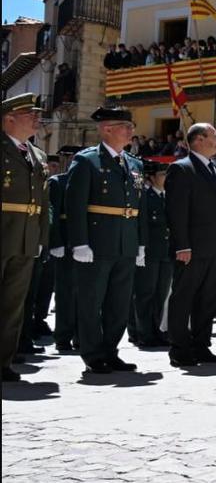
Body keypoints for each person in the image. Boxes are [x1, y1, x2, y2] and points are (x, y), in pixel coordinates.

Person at [65, 106, 143, 375]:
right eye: (125, 125)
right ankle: (93, 354)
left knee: (119, 303)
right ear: (106, 129)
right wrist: (79, 242)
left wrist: (140, 243)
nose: (131, 130)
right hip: (96, 243)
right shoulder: (87, 161)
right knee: (91, 301)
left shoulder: (134, 164)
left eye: (131, 126)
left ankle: (111, 351)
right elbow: (75, 205)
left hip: (126, 243)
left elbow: (137, 206)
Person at [164, 123, 216, 367]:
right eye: (214, 136)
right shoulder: (181, 169)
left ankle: (201, 345)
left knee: (209, 300)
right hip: (191, 249)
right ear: (198, 140)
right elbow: (176, 211)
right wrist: (182, 245)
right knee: (184, 298)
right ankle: (180, 348)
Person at [1, 94, 49, 382]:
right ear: (8, 119)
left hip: (25, 237)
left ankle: (3, 361)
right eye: (29, 114)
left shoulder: (38, 155)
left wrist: (42, 237)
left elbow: (43, 201)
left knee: (13, 304)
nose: (36, 118)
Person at [130, 161, 171, 348]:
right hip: (149, 251)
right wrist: (140, 248)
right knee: (145, 293)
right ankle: (143, 332)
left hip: (165, 252)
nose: (166, 179)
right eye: (163, 175)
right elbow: (142, 225)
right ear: (152, 178)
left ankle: (157, 330)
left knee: (161, 294)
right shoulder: (145, 197)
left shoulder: (168, 197)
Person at [45, 145, 81, 354]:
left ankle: (81, 336)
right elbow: (53, 216)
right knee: (66, 293)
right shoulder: (58, 182)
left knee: (86, 295)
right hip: (66, 244)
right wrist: (55, 242)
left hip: (87, 244)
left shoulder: (90, 182)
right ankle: (63, 336)